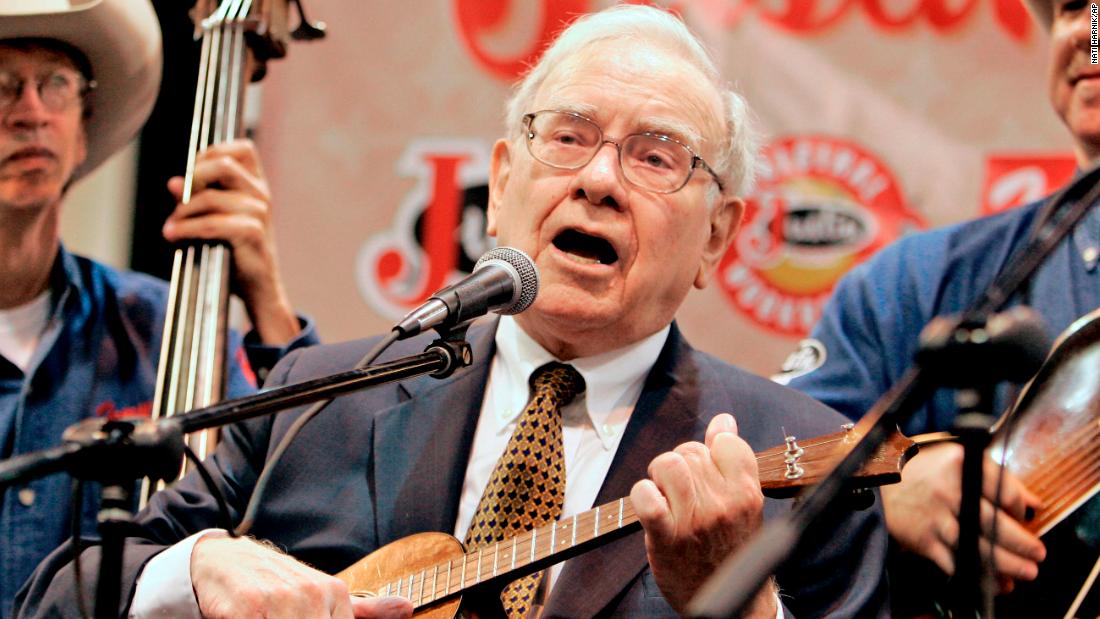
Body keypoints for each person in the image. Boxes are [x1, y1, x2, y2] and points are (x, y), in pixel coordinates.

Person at [15, 5, 888, 618]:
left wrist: (735, 607)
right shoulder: (319, 398)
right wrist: (199, 565)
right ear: (504, 180)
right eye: (569, 137)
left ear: (717, 237)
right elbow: (66, 590)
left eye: (656, 157)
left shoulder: (808, 459)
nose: (596, 180)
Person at [779, 0, 1100, 615]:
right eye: (1068, 9)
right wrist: (881, 499)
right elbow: (773, 467)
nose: (1087, 32)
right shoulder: (914, 282)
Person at [0, 0, 316, 615]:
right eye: (2, 85)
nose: (33, 111)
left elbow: (314, 480)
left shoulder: (157, 323)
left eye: (56, 83)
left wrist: (266, 294)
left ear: (83, 122)